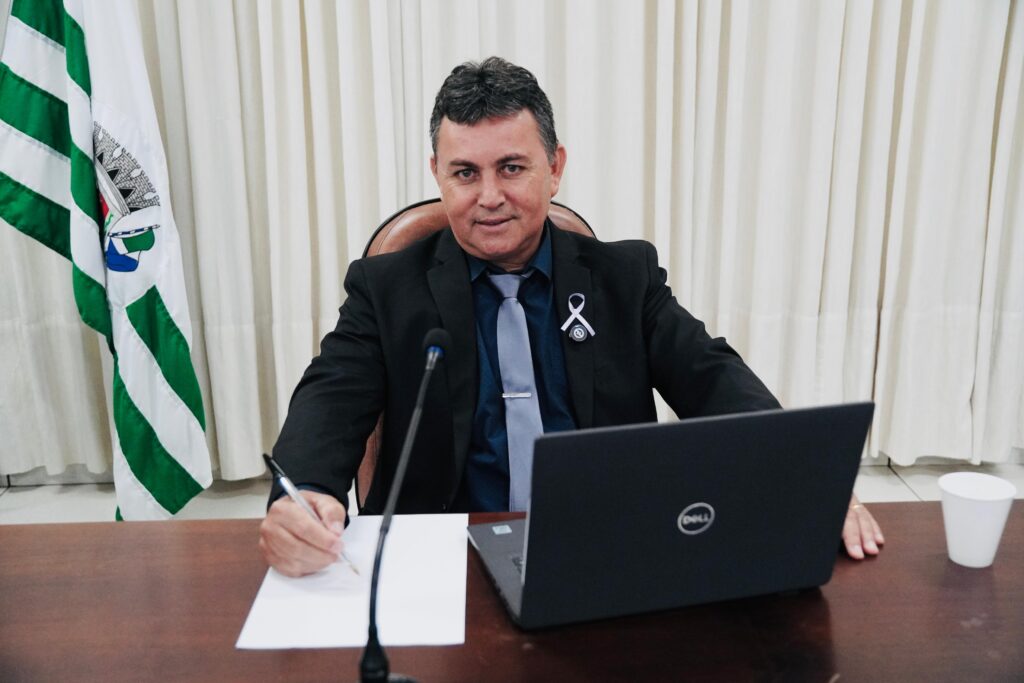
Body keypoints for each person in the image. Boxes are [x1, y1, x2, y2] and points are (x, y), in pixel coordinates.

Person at [259, 57, 884, 577]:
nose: (489, 197)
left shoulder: (624, 277)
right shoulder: (387, 287)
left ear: (555, 168)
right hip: (442, 560)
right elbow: (331, 396)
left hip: (603, 547)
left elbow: (712, 377)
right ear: (437, 176)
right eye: (465, 173)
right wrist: (302, 494)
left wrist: (800, 475)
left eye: (511, 167)